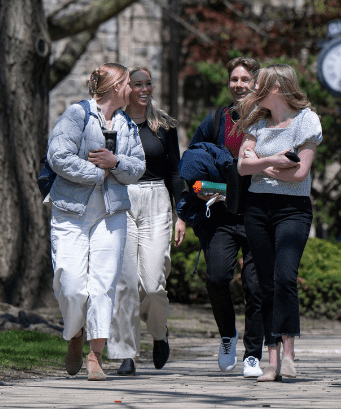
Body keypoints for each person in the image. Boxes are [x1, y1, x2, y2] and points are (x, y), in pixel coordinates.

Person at [48, 63, 146, 380]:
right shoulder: (77, 115)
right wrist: (96, 173)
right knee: (71, 284)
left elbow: (138, 167)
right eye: (129, 84)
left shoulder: (127, 125)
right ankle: (75, 333)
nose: (134, 89)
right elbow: (58, 155)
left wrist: (115, 161)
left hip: (111, 211)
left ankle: (95, 356)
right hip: (70, 210)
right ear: (116, 86)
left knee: (104, 284)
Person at [174, 56, 265, 378]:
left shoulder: (269, 121)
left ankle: (253, 353)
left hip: (258, 215)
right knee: (216, 278)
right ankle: (228, 336)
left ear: (257, 83)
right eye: (234, 79)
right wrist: (194, 194)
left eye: (245, 79)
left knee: (256, 287)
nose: (238, 84)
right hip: (220, 216)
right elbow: (192, 162)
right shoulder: (216, 120)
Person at [236, 64, 322, 382]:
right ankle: (270, 359)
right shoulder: (255, 121)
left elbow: (299, 173)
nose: (253, 88)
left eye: (259, 84)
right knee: (264, 284)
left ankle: (289, 354)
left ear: (277, 88)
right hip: (257, 208)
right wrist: (273, 162)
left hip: (293, 208)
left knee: (285, 277)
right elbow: (243, 168)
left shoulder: (306, 121)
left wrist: (260, 165)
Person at [108, 67, 185, 375]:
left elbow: (175, 172)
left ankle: (158, 331)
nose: (143, 88)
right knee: (124, 282)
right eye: (136, 84)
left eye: (147, 83)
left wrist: (181, 214)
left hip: (156, 201)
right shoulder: (113, 123)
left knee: (153, 284)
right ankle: (126, 353)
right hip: (122, 199)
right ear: (126, 88)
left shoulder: (163, 126)